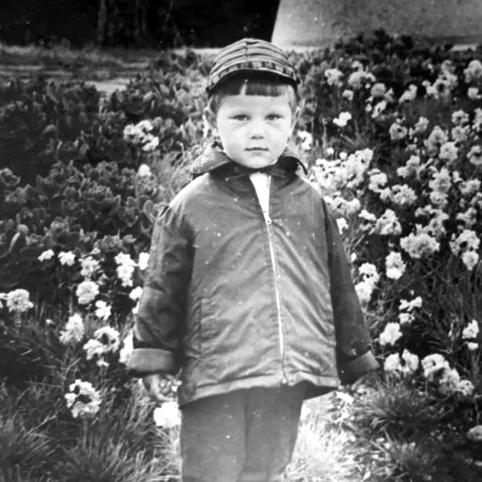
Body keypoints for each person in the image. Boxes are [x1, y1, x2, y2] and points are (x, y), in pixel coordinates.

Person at [128, 37, 379, 482]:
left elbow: (336, 279)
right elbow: (163, 285)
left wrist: (354, 352)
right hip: (216, 372)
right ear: (212, 121)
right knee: (211, 471)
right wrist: (155, 356)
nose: (257, 131)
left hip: (286, 374)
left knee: (266, 469)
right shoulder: (191, 205)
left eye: (273, 117)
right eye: (240, 117)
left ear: (293, 120)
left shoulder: (309, 201)